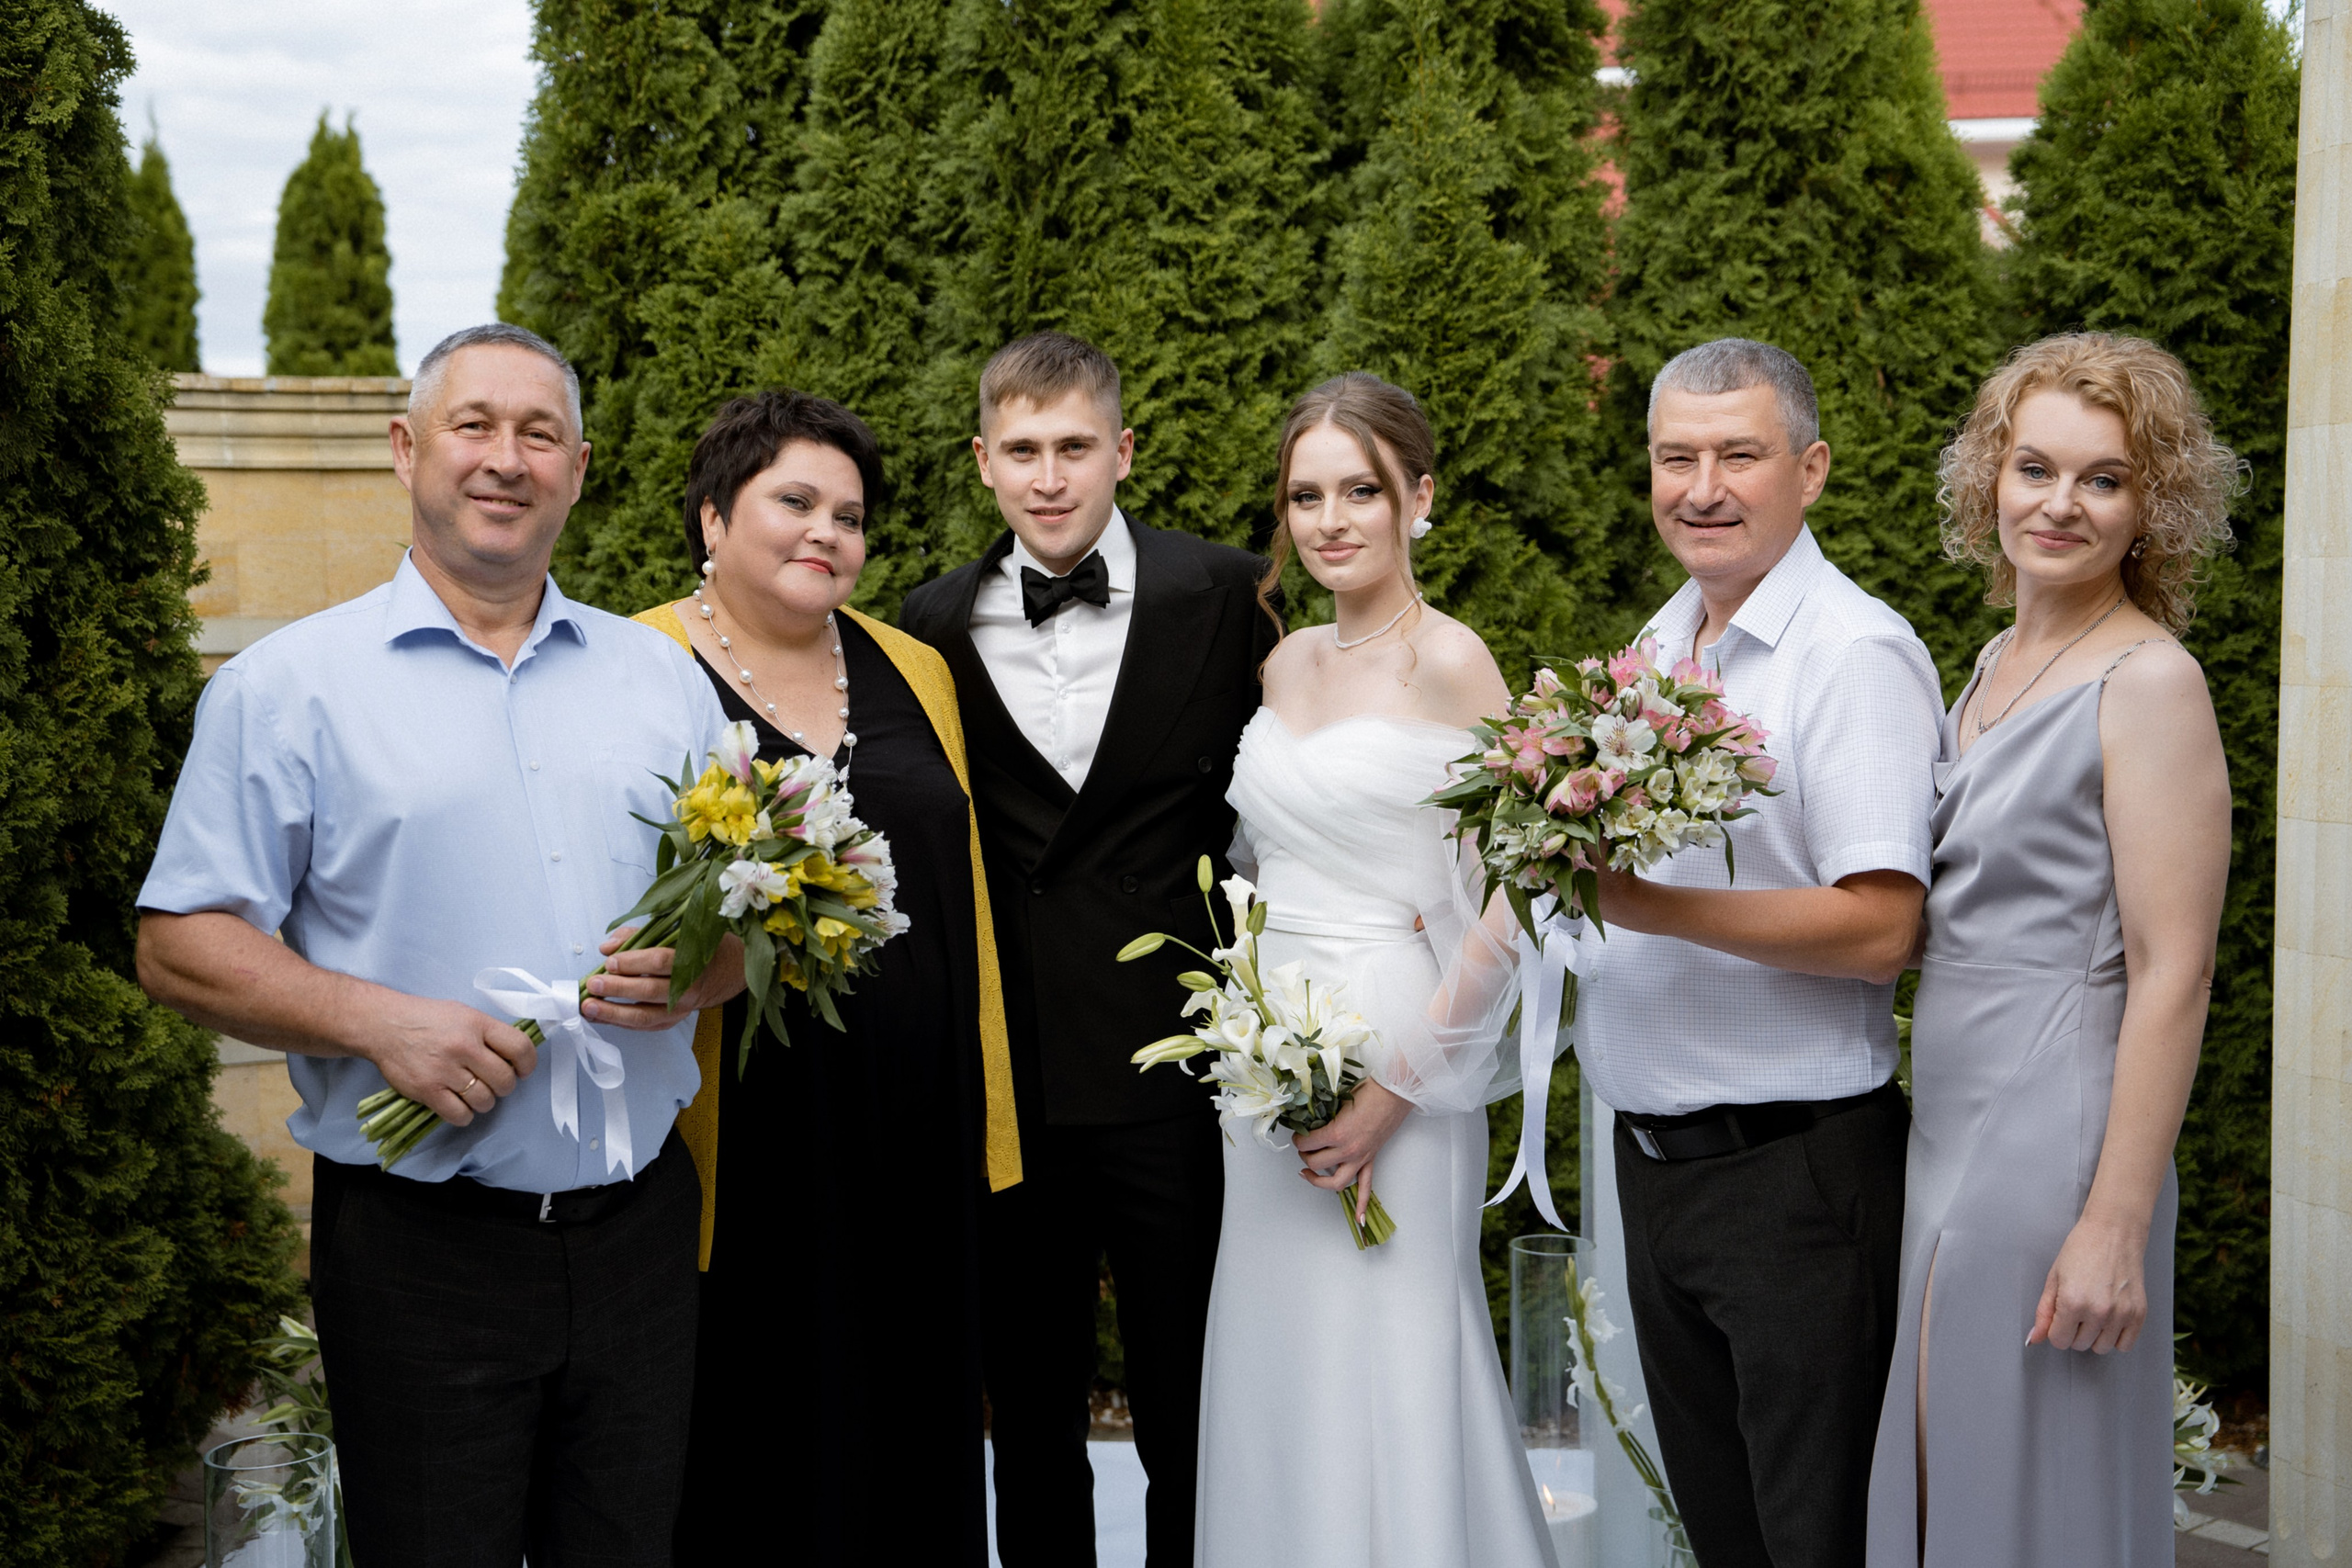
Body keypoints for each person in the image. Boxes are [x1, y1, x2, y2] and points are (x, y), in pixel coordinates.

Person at [134, 323, 738, 1564]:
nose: (505, 459)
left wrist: (705, 966)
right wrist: (377, 1021)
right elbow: (178, 940)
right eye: (475, 426)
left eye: (539, 433)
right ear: (407, 449)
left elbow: (734, 927)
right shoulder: (289, 685)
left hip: (639, 1227)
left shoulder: (661, 677)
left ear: (579, 466)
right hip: (420, 1242)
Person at [899, 332, 1277, 1567]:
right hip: (1016, 1079)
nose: (1049, 476)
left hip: (1177, 1071)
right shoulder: (929, 622)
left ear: (1123, 449)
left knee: (1186, 1401)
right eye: (1022, 450)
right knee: (1034, 1414)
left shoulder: (1223, 593)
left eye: (1073, 447)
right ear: (982, 461)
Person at [1864, 333, 2233, 1566]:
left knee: (2021, 1476)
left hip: (2054, 1133)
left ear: (2153, 508)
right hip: (1950, 1121)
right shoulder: (1990, 664)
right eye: (2035, 467)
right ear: (1990, 478)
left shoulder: (2149, 680)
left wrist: (2114, 1222)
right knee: (1949, 1462)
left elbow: (2173, 966)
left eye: (2105, 478)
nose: (2060, 503)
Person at [1574, 338, 1944, 1568]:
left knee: (1815, 1539)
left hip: (1792, 1176)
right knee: (1725, 1538)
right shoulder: (1666, 636)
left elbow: (1884, 924)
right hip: (1661, 1172)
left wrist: (1645, 904)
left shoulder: (1852, 653)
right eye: (1676, 456)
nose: (1702, 485)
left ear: (1812, 468)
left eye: (1739, 453)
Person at [638, 390, 1022, 1564]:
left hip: (918, 1119)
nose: (826, 533)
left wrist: (988, 1118)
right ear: (712, 516)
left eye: (848, 516)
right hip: (749, 1124)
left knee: (916, 1415)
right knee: (762, 1420)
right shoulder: (634, 663)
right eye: (793, 501)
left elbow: (965, 890)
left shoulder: (913, 665)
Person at [1195, 372, 1554, 1568]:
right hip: (1267, 1057)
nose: (1332, 517)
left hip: (1404, 1046)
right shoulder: (1285, 662)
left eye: (1363, 488)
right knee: (1280, 1340)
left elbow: (1517, 886)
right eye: (1307, 493)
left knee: (1398, 1334)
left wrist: (1404, 1079)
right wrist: (1251, 1026)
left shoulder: (1453, 662)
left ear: (1421, 499)